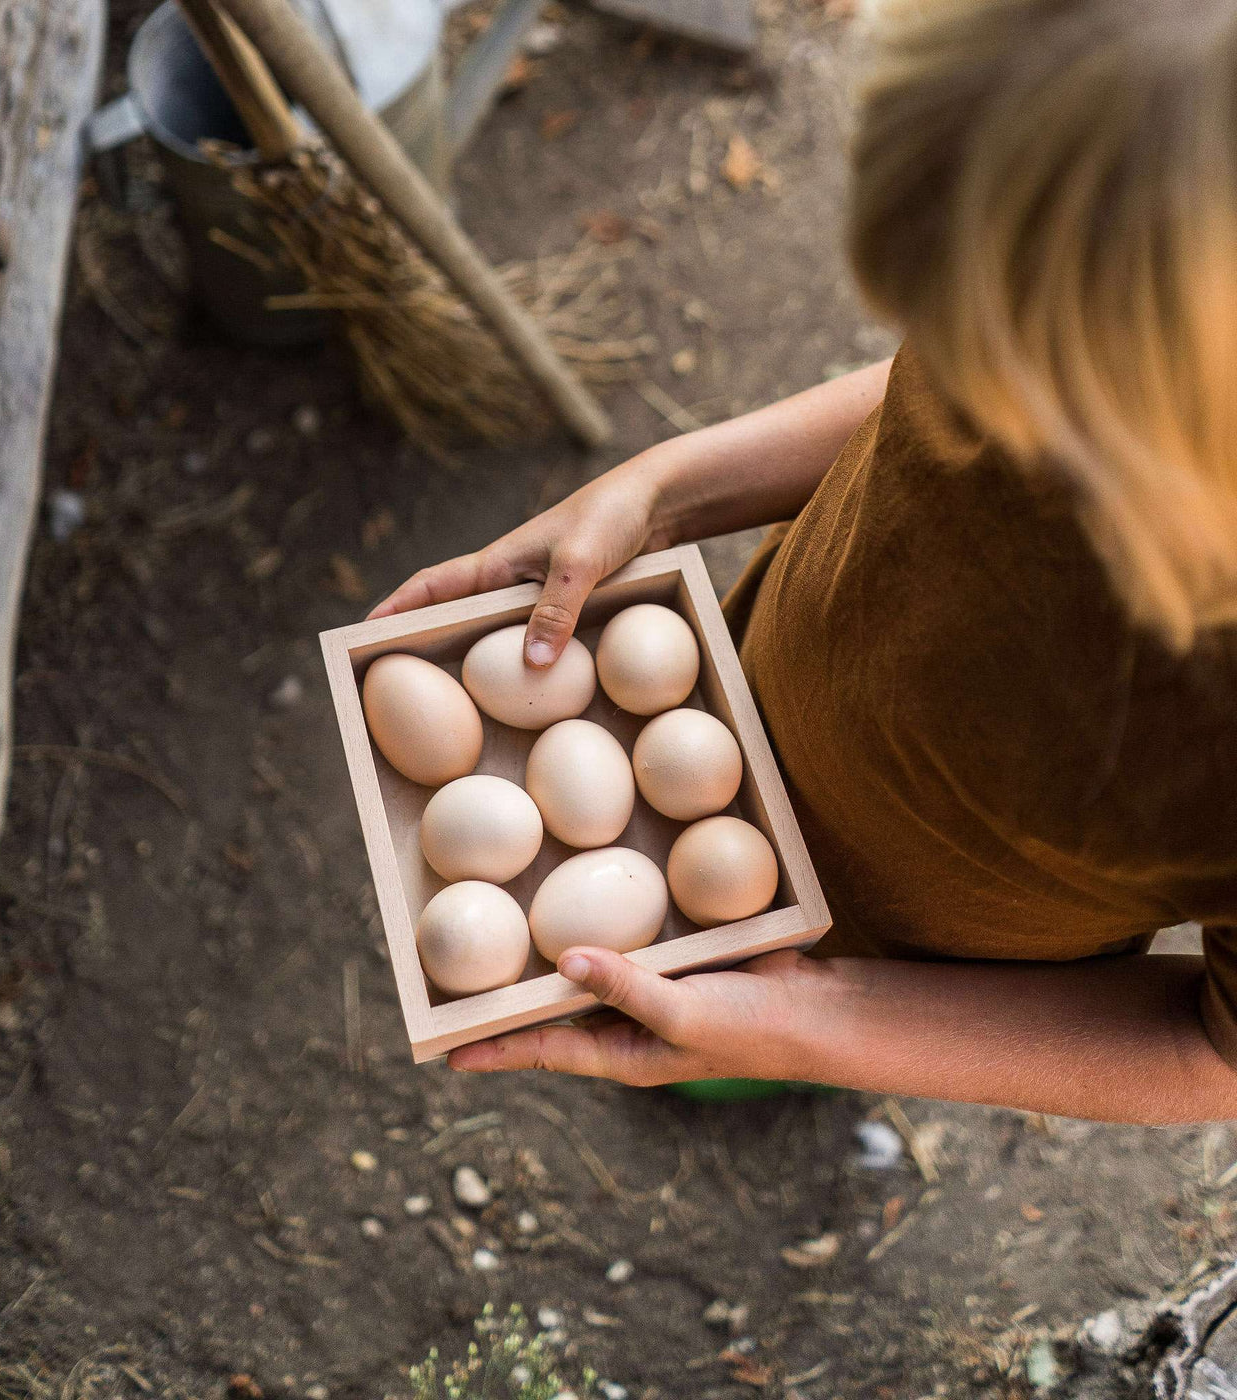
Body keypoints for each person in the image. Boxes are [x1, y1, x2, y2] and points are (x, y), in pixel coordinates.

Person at [369, 0, 1237, 1124]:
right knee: (695, 971)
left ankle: (753, 1069)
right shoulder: (1136, 196)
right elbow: (918, 404)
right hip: (761, 680)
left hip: (925, 954)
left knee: (719, 1035)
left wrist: (813, 1019)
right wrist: (666, 489)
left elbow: (1215, 1055)